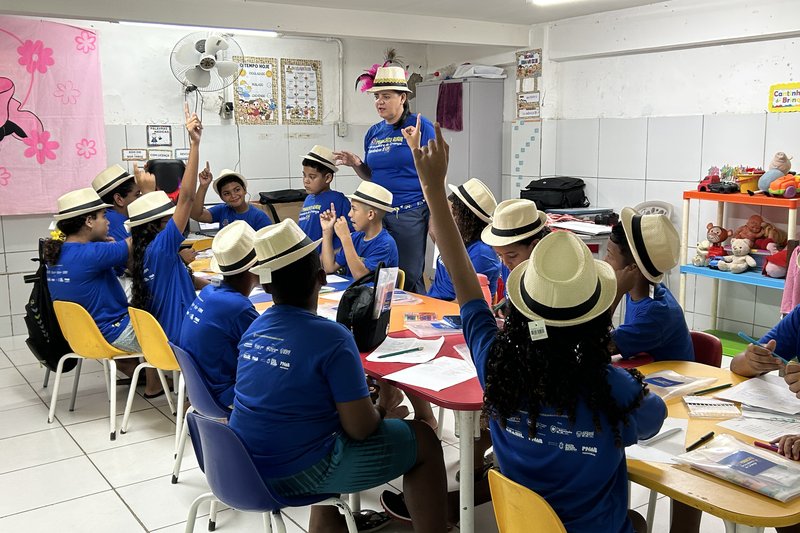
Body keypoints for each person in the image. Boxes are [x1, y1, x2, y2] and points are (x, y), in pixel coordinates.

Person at [396, 122, 666, 533]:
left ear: (521, 307)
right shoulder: (612, 388)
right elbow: (655, 418)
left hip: (522, 524)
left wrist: (432, 187)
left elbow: (467, 290)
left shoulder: (497, 365)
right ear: (595, 320)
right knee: (636, 521)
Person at [229, 218, 447, 533]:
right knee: (424, 440)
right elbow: (360, 429)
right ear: (321, 277)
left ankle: (327, 526)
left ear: (265, 286)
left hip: (243, 465)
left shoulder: (254, 328)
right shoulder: (332, 337)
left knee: (318, 430)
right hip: (294, 471)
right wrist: (383, 406)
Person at [334, 67, 434, 293]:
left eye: (386, 96)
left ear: (403, 98)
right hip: (378, 215)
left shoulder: (420, 126)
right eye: (377, 96)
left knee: (407, 276)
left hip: (408, 212)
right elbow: (372, 176)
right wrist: (357, 164)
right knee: (380, 278)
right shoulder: (374, 133)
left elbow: (433, 174)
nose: (379, 101)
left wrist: (435, 215)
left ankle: (415, 313)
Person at [129, 104, 204, 349]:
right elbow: (187, 198)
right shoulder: (161, 247)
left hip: (161, 343)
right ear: (158, 224)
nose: (172, 219)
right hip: (183, 341)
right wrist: (194, 145)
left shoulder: (141, 250)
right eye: (167, 218)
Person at [44, 188, 140, 354]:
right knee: (174, 331)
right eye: (104, 216)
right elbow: (137, 239)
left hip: (81, 337)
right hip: (115, 333)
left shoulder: (57, 255)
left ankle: (137, 370)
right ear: (89, 221)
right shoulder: (92, 253)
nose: (108, 222)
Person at [179, 221, 259, 408]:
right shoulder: (238, 307)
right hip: (223, 395)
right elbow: (266, 348)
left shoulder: (210, 291)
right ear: (256, 267)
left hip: (199, 391)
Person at [605, 208, 694, 362]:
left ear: (632, 269)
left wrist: (616, 293)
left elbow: (596, 348)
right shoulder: (645, 289)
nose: (604, 261)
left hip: (668, 378)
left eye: (609, 255)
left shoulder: (654, 315)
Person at [428, 177, 500, 302]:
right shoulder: (457, 237)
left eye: (452, 213)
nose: (445, 217)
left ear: (466, 219)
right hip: (434, 303)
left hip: (449, 308)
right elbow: (433, 230)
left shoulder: (481, 253)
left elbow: (466, 303)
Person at [320, 181, 398, 279]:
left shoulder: (385, 244)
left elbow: (361, 277)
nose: (349, 214)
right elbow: (329, 268)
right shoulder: (356, 237)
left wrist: (345, 237)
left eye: (354, 209)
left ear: (370, 214)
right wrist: (327, 231)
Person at [481, 198, 550, 302]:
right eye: (499, 255)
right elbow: (508, 296)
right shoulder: (510, 267)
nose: (505, 262)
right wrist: (504, 304)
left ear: (535, 245)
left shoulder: (548, 280)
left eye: (512, 256)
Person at [298, 145, 352, 251]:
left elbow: (350, 233)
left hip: (327, 257)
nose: (306, 180)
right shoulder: (308, 199)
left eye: (312, 177)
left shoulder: (338, 199)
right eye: (304, 175)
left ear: (328, 178)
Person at [190, 165, 272, 230]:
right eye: (227, 193)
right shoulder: (222, 210)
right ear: (221, 197)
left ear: (244, 190)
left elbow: (268, 244)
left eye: (237, 190)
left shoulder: (259, 217)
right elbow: (196, 215)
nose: (233, 195)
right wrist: (203, 186)